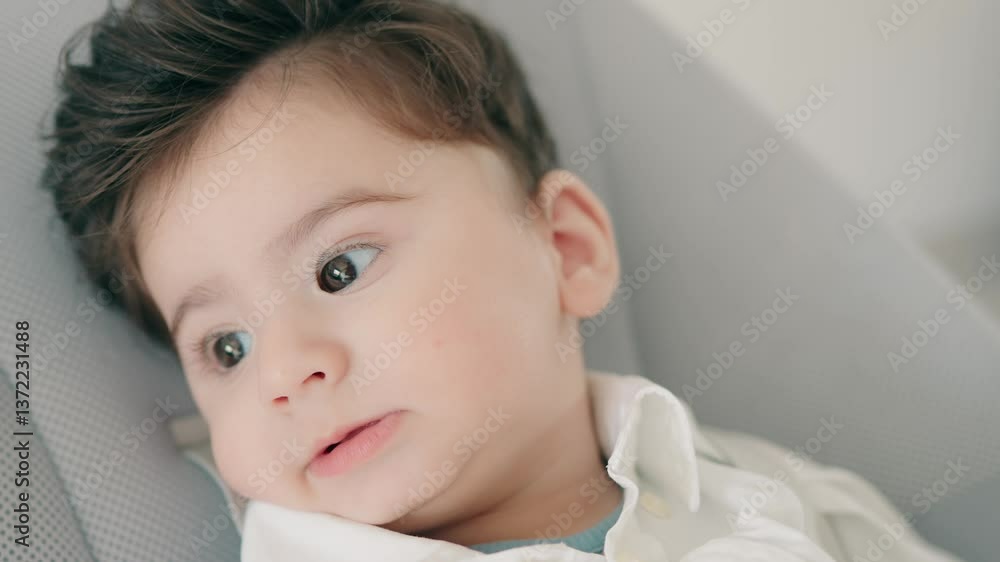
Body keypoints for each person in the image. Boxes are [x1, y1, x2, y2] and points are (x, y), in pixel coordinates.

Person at [41, 1, 965, 560]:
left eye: (339, 269)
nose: (285, 370)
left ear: (565, 248)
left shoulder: (772, 494)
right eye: (226, 348)